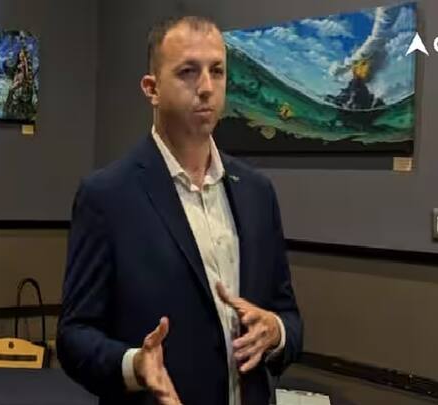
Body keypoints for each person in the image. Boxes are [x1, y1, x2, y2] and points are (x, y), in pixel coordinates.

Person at [57, 16, 302, 405]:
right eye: (188, 72)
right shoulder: (107, 196)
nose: (206, 87)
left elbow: (289, 317)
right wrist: (134, 365)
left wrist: (276, 331)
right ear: (151, 89)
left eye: (216, 71)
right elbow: (74, 336)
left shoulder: (258, 193)